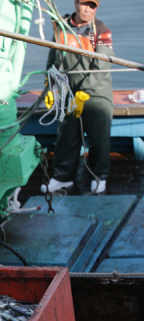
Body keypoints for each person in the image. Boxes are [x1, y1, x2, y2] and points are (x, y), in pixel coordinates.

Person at [41, 0, 114, 195]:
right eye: (85, 5)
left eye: (93, 6)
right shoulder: (61, 27)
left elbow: (102, 66)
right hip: (68, 92)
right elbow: (53, 59)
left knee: (99, 139)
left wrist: (85, 93)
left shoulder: (102, 30)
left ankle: (99, 177)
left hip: (96, 93)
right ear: (76, 4)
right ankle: (63, 177)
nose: (88, 10)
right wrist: (50, 87)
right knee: (66, 136)